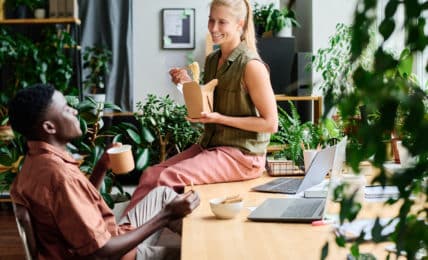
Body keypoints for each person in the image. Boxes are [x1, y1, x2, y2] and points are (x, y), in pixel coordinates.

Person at [8, 84, 200, 259]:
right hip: (113, 254)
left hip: (111, 239)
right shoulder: (59, 176)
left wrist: (101, 166)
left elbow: (76, 208)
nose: (75, 111)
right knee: (195, 255)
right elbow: (102, 252)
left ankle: (210, 237)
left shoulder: (33, 165)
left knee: (162, 195)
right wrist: (165, 215)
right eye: (66, 109)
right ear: (49, 127)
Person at [124, 0, 278, 214]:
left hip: (243, 156)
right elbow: (208, 102)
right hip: (212, 146)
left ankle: (136, 236)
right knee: (151, 174)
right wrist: (186, 83)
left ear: (239, 24)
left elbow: (271, 124)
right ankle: (123, 232)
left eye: (222, 22)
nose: (213, 28)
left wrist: (219, 119)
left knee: (168, 177)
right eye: (211, 20)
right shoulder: (213, 60)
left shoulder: (251, 66)